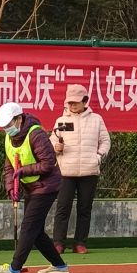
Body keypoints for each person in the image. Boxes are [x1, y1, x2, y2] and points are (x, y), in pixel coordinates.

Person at [0, 101, 70, 273]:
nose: (6, 128)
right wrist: (10, 187)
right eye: (4, 125)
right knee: (36, 231)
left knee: (29, 226)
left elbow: (48, 164)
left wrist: (23, 171)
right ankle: (59, 265)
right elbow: (9, 166)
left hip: (47, 186)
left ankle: (14, 268)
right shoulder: (9, 138)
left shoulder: (36, 134)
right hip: (30, 187)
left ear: (19, 119)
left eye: (8, 124)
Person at [51, 83, 111, 254]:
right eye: (69, 102)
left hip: (89, 171)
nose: (72, 105)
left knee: (85, 209)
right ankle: (58, 243)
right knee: (63, 208)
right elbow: (52, 141)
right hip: (66, 172)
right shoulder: (61, 121)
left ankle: (80, 243)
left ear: (85, 101)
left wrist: (98, 158)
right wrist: (56, 147)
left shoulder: (96, 119)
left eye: (76, 102)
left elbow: (105, 141)